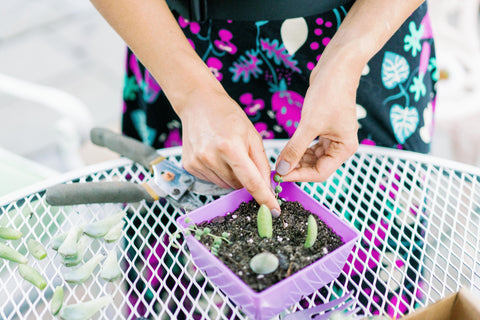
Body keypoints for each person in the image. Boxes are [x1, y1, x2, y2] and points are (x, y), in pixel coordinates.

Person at [91, 0, 437, 317]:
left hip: (366, 39)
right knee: (184, 282)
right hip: (180, 49)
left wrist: (347, 58)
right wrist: (193, 93)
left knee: (371, 279)